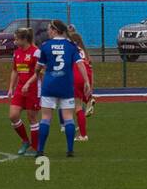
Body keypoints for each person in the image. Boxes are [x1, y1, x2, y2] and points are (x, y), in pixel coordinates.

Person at [34, 20, 90, 158]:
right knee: (69, 118)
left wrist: (38, 72)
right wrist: (87, 81)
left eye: (49, 29)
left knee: (46, 118)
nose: (48, 31)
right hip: (66, 86)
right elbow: (80, 64)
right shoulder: (71, 46)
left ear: (54, 30)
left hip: (49, 85)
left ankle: (40, 150)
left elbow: (38, 67)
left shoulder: (45, 46)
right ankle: (70, 150)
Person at [6, 27, 41, 156]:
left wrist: (28, 83)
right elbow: (15, 70)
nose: (14, 41)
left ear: (24, 39)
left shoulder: (36, 52)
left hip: (33, 89)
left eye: (16, 39)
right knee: (13, 116)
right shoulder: (17, 53)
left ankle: (35, 147)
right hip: (21, 89)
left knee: (32, 117)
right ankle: (25, 141)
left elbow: (39, 72)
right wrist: (11, 87)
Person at [67, 25, 95, 141]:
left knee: (77, 107)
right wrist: (91, 85)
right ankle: (89, 100)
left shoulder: (71, 50)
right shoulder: (85, 52)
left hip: (77, 76)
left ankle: (83, 135)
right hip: (86, 76)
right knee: (81, 104)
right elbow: (90, 68)